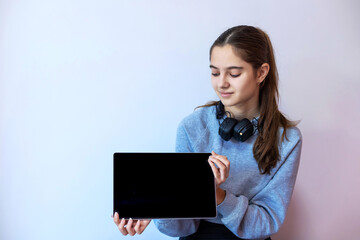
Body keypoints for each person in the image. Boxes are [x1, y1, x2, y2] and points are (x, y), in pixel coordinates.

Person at [112, 25, 302, 240]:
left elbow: (266, 223)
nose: (222, 83)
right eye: (214, 72)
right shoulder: (192, 127)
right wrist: (160, 210)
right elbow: (182, 227)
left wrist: (218, 196)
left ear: (261, 73)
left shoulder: (287, 139)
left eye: (234, 73)